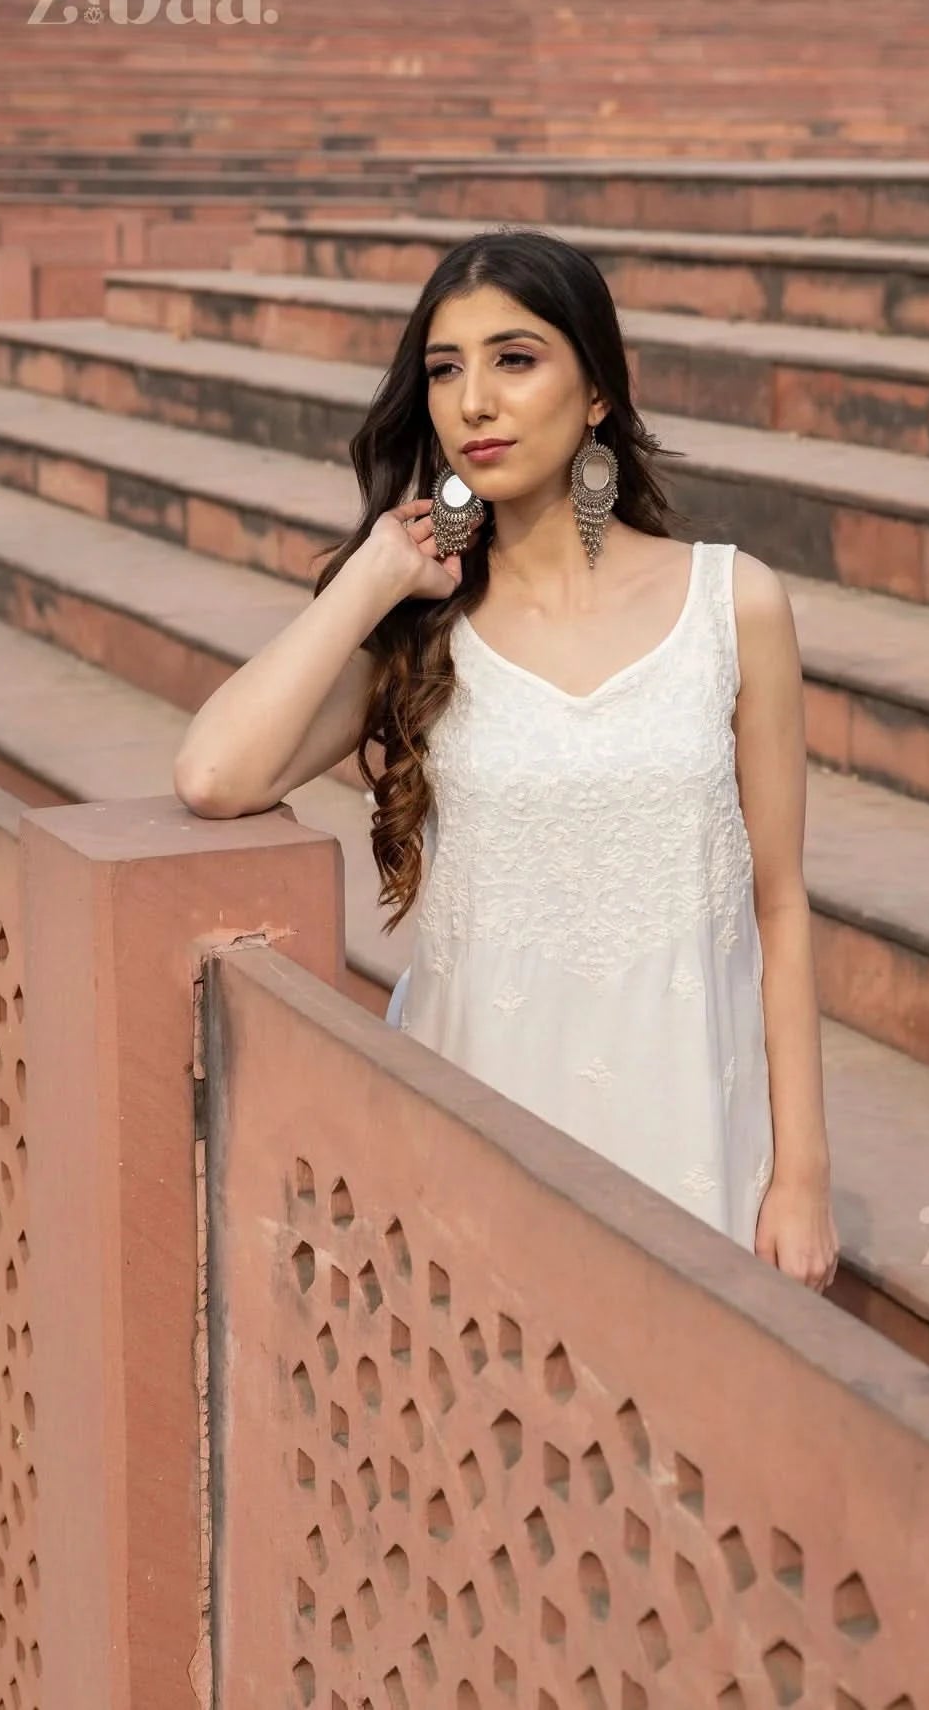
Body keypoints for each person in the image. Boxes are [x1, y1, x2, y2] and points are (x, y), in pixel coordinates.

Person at [173, 228, 837, 1288]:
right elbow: (213, 775)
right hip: (477, 1129)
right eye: (445, 370)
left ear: (595, 396)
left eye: (514, 360)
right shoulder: (424, 634)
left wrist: (800, 1177)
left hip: (692, 1134)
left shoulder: (731, 603)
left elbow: (780, 905)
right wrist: (377, 575)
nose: (472, 400)